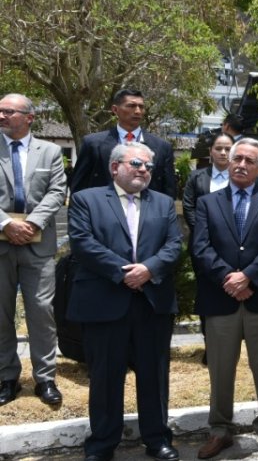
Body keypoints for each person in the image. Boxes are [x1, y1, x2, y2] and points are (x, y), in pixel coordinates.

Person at [67, 142, 183, 461]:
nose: (144, 170)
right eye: (136, 163)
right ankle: (103, 443)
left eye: (148, 166)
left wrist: (148, 269)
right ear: (115, 167)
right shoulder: (85, 200)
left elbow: (174, 246)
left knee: (154, 375)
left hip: (152, 303)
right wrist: (124, 273)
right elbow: (82, 243)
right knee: (105, 377)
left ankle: (157, 438)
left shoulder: (162, 203)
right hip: (104, 302)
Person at [191, 138, 258, 459]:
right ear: (228, 162)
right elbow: (201, 248)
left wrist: (248, 277)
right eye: (237, 159)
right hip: (220, 299)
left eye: (249, 160)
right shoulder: (208, 202)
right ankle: (220, 431)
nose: (241, 165)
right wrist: (228, 278)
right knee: (220, 370)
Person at [0, 93, 67, 407]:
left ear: (29, 117)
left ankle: (45, 378)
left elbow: (57, 191)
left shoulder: (51, 151)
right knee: (1, 314)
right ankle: (7, 376)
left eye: (8, 111)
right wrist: (6, 225)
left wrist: (32, 224)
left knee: (41, 312)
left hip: (38, 243)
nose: (1, 116)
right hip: (1, 241)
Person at [70, 89, 176, 197]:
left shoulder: (162, 147)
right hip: (103, 211)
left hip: (146, 211)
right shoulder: (93, 144)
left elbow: (168, 191)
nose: (138, 111)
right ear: (115, 109)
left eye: (141, 106)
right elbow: (78, 188)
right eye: (131, 106)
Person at [182, 134, 234, 239]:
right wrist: (201, 231)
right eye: (218, 149)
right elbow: (188, 207)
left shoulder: (241, 179)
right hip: (201, 238)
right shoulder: (195, 177)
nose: (223, 153)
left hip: (233, 239)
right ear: (210, 151)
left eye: (228, 149)